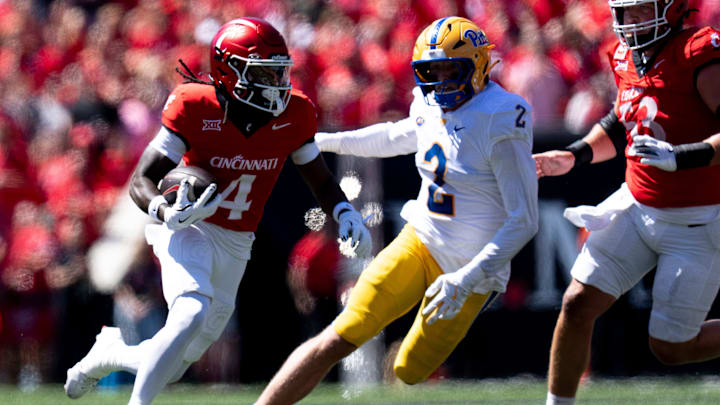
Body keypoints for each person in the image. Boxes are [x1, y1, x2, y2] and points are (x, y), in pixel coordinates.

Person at [63, 17, 371, 405]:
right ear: (229, 71)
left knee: (176, 361)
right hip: (189, 224)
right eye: (263, 73)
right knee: (189, 313)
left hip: (238, 239)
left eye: (279, 73)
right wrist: (163, 210)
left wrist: (344, 212)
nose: (277, 85)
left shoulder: (294, 113)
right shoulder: (194, 105)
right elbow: (142, 179)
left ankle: (110, 352)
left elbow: (320, 179)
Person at [255, 16, 539, 405]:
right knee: (340, 334)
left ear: (479, 65)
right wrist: (326, 142)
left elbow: (524, 221)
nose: (439, 82)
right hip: (420, 240)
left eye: (450, 70)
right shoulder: (428, 100)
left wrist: (468, 277)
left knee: (410, 370)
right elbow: (400, 134)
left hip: (472, 269)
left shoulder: (501, 114)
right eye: (430, 71)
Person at [533, 1, 720, 404]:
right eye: (626, 11)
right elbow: (625, 118)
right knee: (577, 303)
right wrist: (575, 154)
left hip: (697, 220)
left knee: (672, 348)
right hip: (636, 205)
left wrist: (684, 155)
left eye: (641, 10)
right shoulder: (626, 54)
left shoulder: (699, 51)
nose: (631, 21)